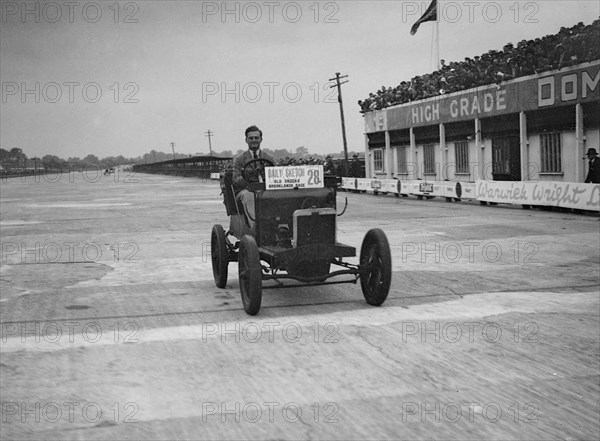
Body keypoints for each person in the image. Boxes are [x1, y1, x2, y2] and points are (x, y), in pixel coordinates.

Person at [232, 125, 275, 228]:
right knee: (249, 196)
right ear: (246, 140)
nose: (254, 140)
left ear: (261, 139)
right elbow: (235, 181)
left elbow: (275, 177)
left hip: (265, 190)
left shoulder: (269, 158)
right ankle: (255, 227)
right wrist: (248, 176)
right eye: (251, 138)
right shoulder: (239, 159)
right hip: (246, 191)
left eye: (256, 138)